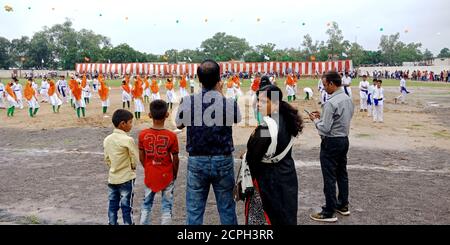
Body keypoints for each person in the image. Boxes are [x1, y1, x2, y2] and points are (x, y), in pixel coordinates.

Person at [176, 59, 241, 225]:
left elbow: (179, 124)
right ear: (219, 79)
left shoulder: (188, 101)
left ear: (199, 79)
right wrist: (221, 94)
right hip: (223, 159)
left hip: (197, 160)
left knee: (194, 211)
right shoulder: (228, 102)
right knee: (227, 208)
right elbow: (237, 118)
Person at [243, 85, 303, 225]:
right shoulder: (286, 118)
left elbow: (254, 154)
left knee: (271, 218)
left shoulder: (266, 127)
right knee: (286, 216)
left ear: (275, 103)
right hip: (287, 173)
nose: (258, 104)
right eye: (258, 100)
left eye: (264, 101)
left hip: (270, 180)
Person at [308, 71, 354, 222]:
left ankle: (329, 211)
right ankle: (343, 204)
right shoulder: (347, 99)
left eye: (325, 84)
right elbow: (340, 119)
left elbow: (325, 128)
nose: (324, 87)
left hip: (331, 141)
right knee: (342, 173)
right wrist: (322, 118)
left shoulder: (331, 102)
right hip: (343, 139)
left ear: (332, 84)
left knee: (329, 176)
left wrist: (315, 120)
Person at [139, 100, 179, 225]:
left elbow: (141, 156)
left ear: (150, 115)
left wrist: (147, 166)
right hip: (166, 173)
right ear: (167, 115)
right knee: (166, 207)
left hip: (150, 173)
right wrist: (174, 173)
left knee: (146, 204)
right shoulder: (171, 135)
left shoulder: (143, 134)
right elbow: (175, 159)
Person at [103, 109, 139, 225]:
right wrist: (132, 167)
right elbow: (134, 158)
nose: (131, 125)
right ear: (123, 124)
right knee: (126, 206)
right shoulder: (128, 140)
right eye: (130, 122)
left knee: (112, 205)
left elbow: (107, 158)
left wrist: (113, 166)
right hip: (126, 178)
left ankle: (112, 223)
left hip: (112, 177)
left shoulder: (107, 139)